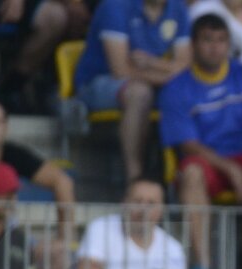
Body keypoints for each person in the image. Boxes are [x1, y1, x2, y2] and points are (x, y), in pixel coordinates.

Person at [160, 13, 242, 269]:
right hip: (209, 162)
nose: (215, 46)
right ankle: (202, 265)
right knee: (191, 174)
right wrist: (230, 170)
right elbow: (188, 145)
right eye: (207, 40)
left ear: (229, 45)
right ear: (192, 45)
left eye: (221, 40)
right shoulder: (176, 88)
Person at [73, 0, 191, 182]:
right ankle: (134, 178)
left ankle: (180, 176)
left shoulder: (178, 8)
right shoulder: (115, 5)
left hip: (151, 80)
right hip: (98, 83)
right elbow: (120, 70)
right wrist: (168, 76)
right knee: (139, 92)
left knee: (186, 93)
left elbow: (186, 65)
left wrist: (152, 63)